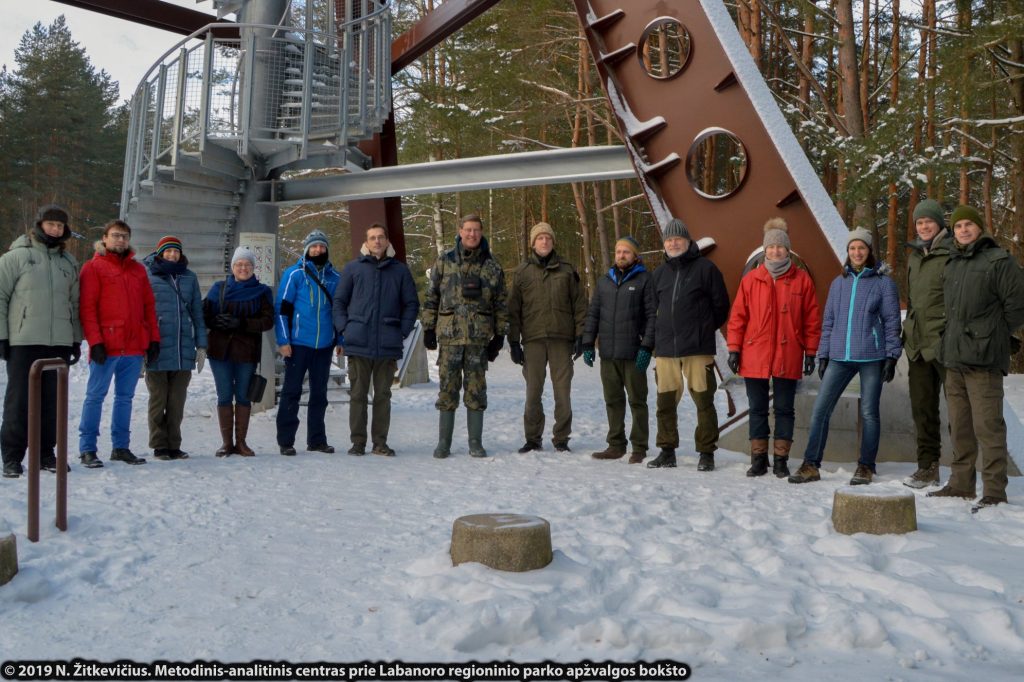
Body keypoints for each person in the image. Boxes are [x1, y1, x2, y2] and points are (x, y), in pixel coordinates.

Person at [927, 205, 1024, 512]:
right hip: (954, 357)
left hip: (984, 359)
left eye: (969, 224)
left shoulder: (999, 260)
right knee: (960, 426)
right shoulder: (952, 262)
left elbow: (1018, 306)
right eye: (958, 226)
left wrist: (993, 334)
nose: (963, 230)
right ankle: (961, 483)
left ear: (980, 228)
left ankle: (994, 490)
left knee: (988, 426)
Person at [789, 227, 902, 485]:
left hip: (871, 357)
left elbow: (892, 322)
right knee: (821, 411)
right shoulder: (838, 283)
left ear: (869, 251)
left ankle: (866, 466)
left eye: (861, 248)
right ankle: (811, 465)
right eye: (852, 248)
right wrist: (824, 355)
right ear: (847, 251)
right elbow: (828, 321)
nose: (857, 252)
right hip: (840, 357)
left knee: (869, 412)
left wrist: (892, 356)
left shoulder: (883, 284)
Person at [727, 218, 821, 478]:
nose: (775, 251)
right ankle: (758, 459)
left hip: (788, 353)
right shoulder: (751, 280)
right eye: (771, 247)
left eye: (780, 247)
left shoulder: (802, 280)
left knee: (784, 409)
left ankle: (780, 460)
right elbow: (738, 317)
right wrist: (734, 349)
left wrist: (811, 352)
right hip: (754, 353)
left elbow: (812, 320)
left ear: (787, 250)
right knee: (757, 408)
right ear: (765, 250)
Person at [0, 205, 82, 478]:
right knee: (19, 401)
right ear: (39, 225)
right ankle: (12, 457)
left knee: (52, 403)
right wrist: (2, 336)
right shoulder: (16, 257)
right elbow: (0, 296)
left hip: (58, 341)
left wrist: (75, 339)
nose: (55, 229)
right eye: (51, 224)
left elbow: (75, 303)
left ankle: (45, 453)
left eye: (60, 225)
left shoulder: (68, 262)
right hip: (24, 340)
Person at [421, 214, 508, 458]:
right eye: (468, 230)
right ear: (460, 231)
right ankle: (444, 443)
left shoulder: (492, 266)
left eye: (476, 230)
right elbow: (431, 296)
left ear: (481, 232)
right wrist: (428, 328)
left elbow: (501, 303)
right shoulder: (444, 261)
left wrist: (499, 336)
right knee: (447, 390)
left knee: (476, 391)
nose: (472, 234)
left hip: (478, 340)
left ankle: (475, 442)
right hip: (450, 338)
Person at [648, 218, 730, 471]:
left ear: (687, 241)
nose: (673, 243)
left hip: (697, 348)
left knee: (704, 402)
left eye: (678, 239)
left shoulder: (706, 269)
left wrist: (702, 328)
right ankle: (667, 451)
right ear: (664, 244)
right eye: (669, 240)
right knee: (665, 403)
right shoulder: (658, 274)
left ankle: (706, 452)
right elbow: (652, 310)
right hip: (666, 350)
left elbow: (721, 306)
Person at [78, 219, 160, 468]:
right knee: (95, 396)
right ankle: (87, 448)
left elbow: (148, 306)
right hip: (107, 345)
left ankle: (121, 447)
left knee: (125, 398)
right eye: (115, 235)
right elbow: (87, 308)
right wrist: (95, 341)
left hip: (133, 346)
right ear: (105, 238)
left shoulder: (138, 270)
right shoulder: (93, 268)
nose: (120, 240)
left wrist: (153, 339)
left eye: (124, 236)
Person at [333, 224, 419, 456]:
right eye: (372, 238)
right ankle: (358, 442)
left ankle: (380, 443)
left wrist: (402, 331)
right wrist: (345, 328)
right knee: (358, 395)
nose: (377, 241)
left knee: (383, 396)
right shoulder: (353, 269)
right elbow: (339, 302)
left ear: (387, 241)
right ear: (366, 242)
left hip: (387, 343)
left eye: (381, 237)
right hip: (358, 341)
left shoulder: (400, 271)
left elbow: (411, 304)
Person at [507, 222, 587, 453]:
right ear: (533, 243)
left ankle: (561, 438)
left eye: (548, 238)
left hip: (562, 339)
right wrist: (513, 341)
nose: (544, 241)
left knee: (562, 393)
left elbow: (580, 305)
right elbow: (513, 310)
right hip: (533, 340)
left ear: (553, 242)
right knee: (533, 392)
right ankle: (533, 438)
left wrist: (581, 335)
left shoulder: (567, 270)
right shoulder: (522, 272)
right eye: (540, 238)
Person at [581, 235, 655, 464]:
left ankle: (639, 446)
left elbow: (652, 316)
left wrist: (646, 347)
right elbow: (593, 314)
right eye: (618, 251)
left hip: (634, 353)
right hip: (608, 354)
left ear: (635, 255)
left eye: (626, 252)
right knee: (613, 400)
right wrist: (588, 343)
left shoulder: (644, 280)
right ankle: (615, 444)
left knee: (637, 401)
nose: (621, 255)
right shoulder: (604, 282)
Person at [275, 230, 343, 456]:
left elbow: (339, 311)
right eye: (313, 246)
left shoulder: (335, 277)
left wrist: (340, 339)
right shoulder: (294, 274)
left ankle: (317, 440)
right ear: (306, 249)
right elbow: (282, 309)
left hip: (324, 345)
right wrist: (283, 339)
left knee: (319, 395)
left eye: (321, 246)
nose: (318, 250)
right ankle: (286, 441)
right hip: (298, 344)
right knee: (291, 392)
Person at [204, 246, 274, 457]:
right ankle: (227, 443)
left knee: (243, 396)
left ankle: (241, 442)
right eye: (239, 264)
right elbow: (204, 313)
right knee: (225, 395)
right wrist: (214, 321)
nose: (243, 268)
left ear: (253, 267)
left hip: (247, 352)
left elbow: (267, 321)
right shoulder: (219, 289)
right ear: (233, 266)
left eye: (248, 264)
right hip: (220, 352)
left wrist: (242, 323)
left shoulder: (262, 292)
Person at [902, 199, 952, 488]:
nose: (923, 226)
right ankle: (927, 467)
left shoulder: (952, 252)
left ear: (939, 223)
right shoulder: (915, 256)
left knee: (958, 411)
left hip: (945, 343)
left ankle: (963, 472)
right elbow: (914, 301)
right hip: (917, 345)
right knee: (922, 409)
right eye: (919, 222)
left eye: (928, 221)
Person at [143, 236, 207, 461]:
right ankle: (159, 445)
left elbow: (197, 313)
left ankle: (174, 445)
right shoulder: (148, 276)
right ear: (160, 253)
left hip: (182, 350)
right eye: (168, 251)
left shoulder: (189, 277)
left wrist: (201, 345)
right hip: (157, 349)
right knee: (158, 400)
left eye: (176, 251)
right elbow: (142, 313)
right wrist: (142, 347)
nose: (172, 255)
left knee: (176, 402)